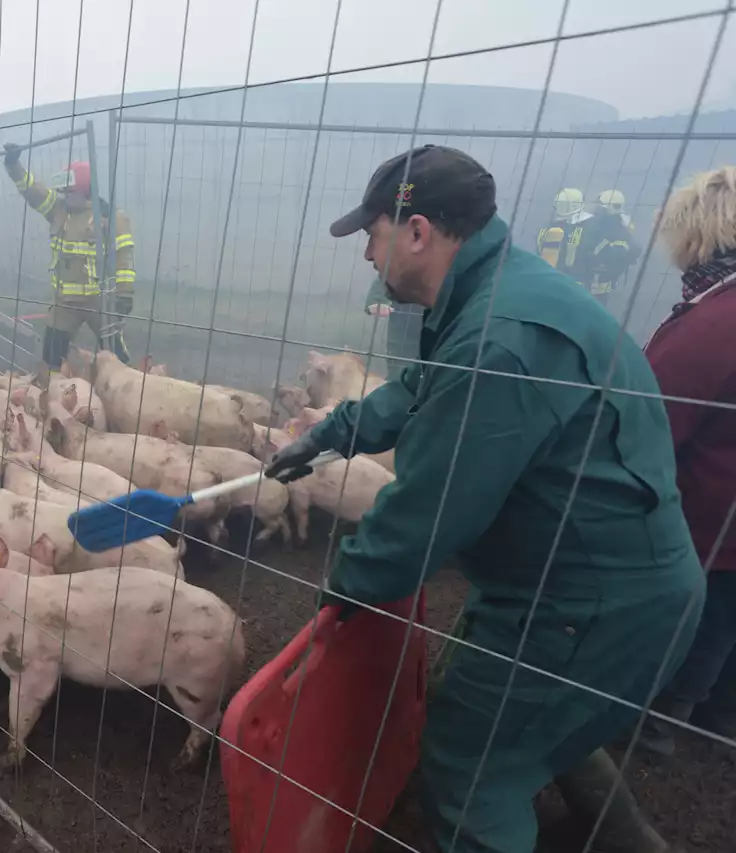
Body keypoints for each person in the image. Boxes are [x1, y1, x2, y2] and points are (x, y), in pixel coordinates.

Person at [267, 145, 703, 853]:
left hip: (589, 606)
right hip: (590, 584)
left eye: (373, 235)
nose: (367, 256)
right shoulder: (495, 294)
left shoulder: (496, 340)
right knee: (526, 721)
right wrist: (330, 434)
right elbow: (420, 389)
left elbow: (424, 515)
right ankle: (629, 839)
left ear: (417, 232)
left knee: (471, 769)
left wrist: (338, 596)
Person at [639, 166, 736, 756]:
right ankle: (716, 713)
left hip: (711, 511)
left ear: (696, 235)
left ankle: (664, 718)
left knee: (705, 612)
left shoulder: (715, 319)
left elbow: (655, 422)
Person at [1, 142, 134, 377]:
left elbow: (123, 256)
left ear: (84, 190)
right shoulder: (58, 210)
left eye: (69, 192)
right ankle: (52, 397)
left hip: (99, 302)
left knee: (116, 358)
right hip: (65, 303)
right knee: (51, 355)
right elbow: (33, 190)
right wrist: (14, 165)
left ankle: (125, 394)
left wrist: (123, 294)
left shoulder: (110, 218)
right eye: (63, 192)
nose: (64, 196)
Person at [363, 275, 421, 375]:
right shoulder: (401, 264)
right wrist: (375, 301)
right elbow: (387, 274)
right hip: (402, 335)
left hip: (440, 331)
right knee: (399, 375)